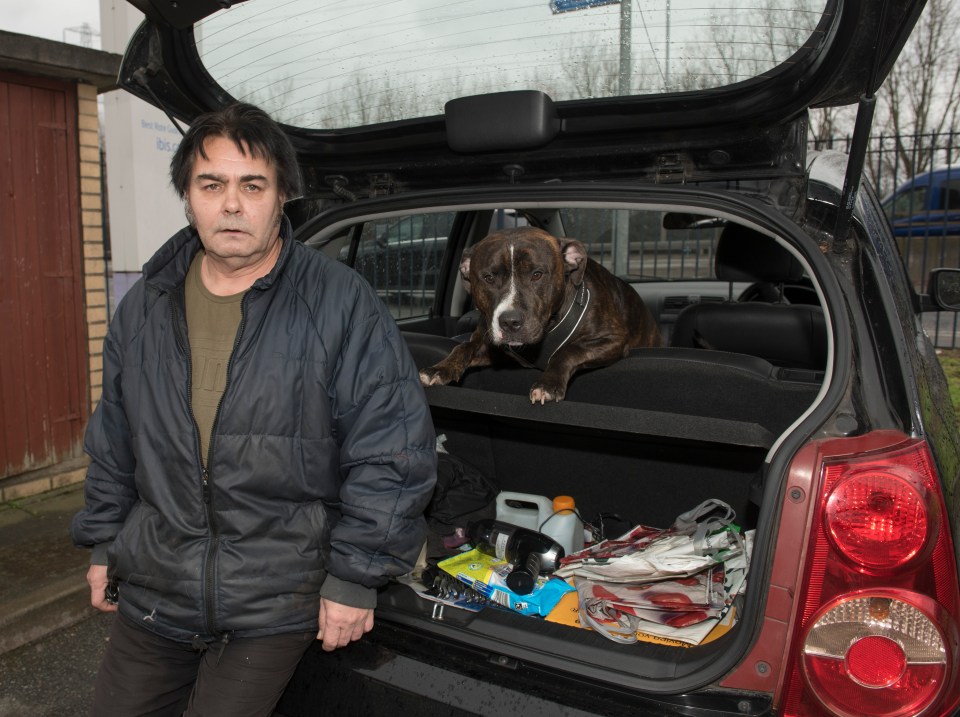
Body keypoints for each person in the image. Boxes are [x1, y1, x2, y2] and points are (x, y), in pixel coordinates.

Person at [70, 102, 437, 717]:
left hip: (276, 600)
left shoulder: (340, 302)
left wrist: (355, 576)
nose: (232, 205)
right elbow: (115, 440)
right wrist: (105, 543)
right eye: (211, 185)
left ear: (283, 196)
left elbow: (392, 448)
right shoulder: (145, 307)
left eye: (252, 185)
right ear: (187, 197)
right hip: (156, 586)